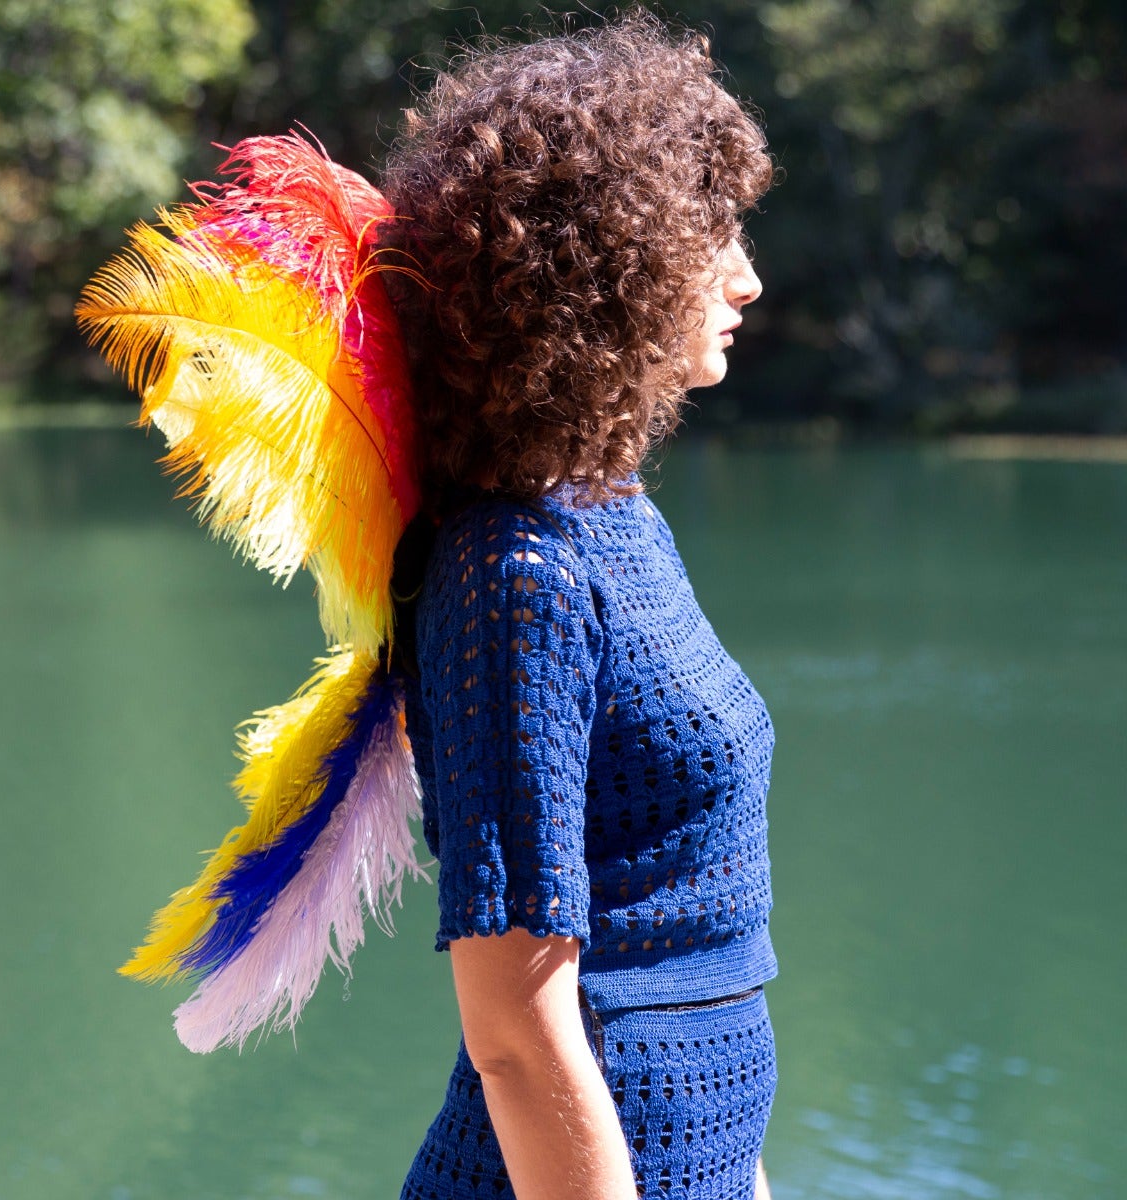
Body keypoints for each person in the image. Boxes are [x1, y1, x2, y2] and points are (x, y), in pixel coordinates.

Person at [379, 14, 778, 1200]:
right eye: (717, 240)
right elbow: (516, 1029)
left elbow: (697, 947)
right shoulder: (516, 573)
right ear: (617, 264)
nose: (749, 277)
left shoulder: (613, 516)